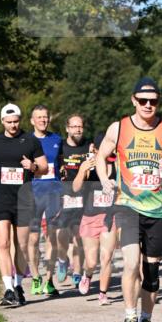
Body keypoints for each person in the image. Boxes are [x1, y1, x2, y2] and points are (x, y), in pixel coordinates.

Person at [96, 78, 162, 322]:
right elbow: (101, 156)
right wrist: (104, 180)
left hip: (157, 209)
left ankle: (146, 320)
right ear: (133, 100)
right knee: (131, 263)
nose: (148, 105)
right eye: (143, 100)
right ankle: (130, 317)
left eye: (153, 101)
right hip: (128, 205)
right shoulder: (119, 128)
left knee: (152, 272)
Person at [0, 104, 48, 306]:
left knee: (21, 246)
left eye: (16, 121)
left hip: (23, 199)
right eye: (9, 122)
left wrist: (33, 166)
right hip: (0, 198)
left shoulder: (30, 140)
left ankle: (19, 284)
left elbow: (44, 167)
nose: (13, 125)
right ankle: (8, 289)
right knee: (3, 244)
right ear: (2, 121)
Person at [72, 133, 118, 300]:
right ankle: (87, 274)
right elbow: (76, 188)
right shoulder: (90, 167)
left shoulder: (118, 166)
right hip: (90, 217)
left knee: (106, 257)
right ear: (97, 149)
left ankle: (103, 293)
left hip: (110, 217)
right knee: (91, 262)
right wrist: (82, 170)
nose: (110, 151)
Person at [27, 104, 63, 297]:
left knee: (52, 238)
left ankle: (48, 280)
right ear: (32, 121)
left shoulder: (57, 139)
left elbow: (62, 165)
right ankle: (35, 276)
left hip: (53, 194)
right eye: (39, 117)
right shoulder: (25, 140)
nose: (43, 120)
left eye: (45, 117)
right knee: (32, 239)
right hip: (32, 194)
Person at [57, 115, 93, 287]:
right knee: (62, 233)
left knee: (79, 235)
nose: (77, 129)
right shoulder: (61, 147)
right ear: (67, 129)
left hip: (83, 195)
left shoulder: (89, 146)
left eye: (80, 126)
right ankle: (63, 259)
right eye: (74, 126)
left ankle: (77, 271)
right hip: (65, 194)